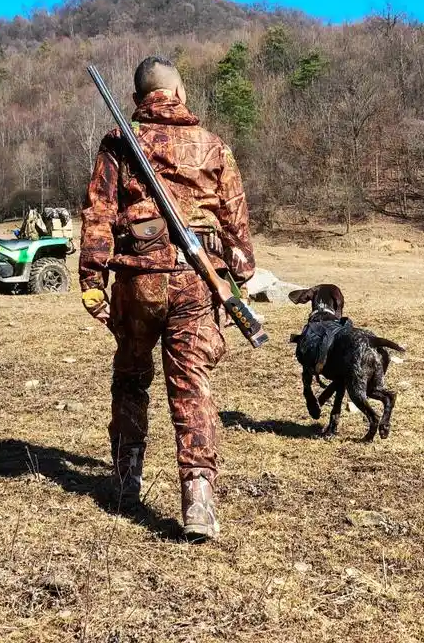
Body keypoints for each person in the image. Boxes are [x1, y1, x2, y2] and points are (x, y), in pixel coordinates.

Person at [78, 55, 256, 543]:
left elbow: (98, 215)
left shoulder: (120, 142)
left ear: (138, 101)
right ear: (180, 93)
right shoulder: (214, 146)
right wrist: (236, 274)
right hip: (197, 286)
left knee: (132, 379)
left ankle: (126, 480)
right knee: (191, 386)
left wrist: (93, 280)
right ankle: (199, 500)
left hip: (137, 284)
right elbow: (236, 223)